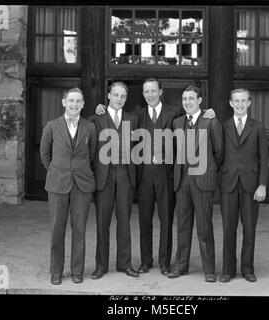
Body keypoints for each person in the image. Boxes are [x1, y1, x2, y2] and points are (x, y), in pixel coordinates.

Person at [95, 79, 216, 276]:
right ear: (142, 94)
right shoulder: (136, 116)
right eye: (146, 92)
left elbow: (194, 117)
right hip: (143, 175)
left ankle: (165, 262)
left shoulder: (175, 113)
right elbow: (115, 125)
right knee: (144, 220)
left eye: (153, 91)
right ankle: (145, 261)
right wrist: (100, 108)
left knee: (167, 220)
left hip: (167, 175)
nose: (150, 95)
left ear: (161, 92)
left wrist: (210, 112)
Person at [39, 88, 97, 285]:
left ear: (83, 104)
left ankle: (77, 271)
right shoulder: (52, 126)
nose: (74, 105)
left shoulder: (90, 127)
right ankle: (56, 271)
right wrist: (57, 170)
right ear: (64, 102)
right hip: (58, 184)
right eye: (71, 101)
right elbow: (44, 154)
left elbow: (92, 154)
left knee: (79, 229)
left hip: (82, 185)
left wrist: (78, 170)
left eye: (78, 101)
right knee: (57, 230)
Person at [167, 85, 223, 282]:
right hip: (182, 181)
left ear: (200, 100)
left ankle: (209, 269)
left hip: (202, 180)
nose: (187, 102)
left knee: (204, 227)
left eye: (191, 98)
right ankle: (180, 266)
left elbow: (219, 152)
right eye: (184, 99)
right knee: (182, 225)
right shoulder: (177, 123)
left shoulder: (210, 121)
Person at [90, 82, 140, 279]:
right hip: (104, 176)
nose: (119, 99)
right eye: (115, 95)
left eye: (123, 96)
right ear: (109, 95)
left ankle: (124, 264)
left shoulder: (133, 119)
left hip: (125, 176)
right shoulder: (96, 118)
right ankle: (101, 266)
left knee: (124, 221)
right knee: (102, 222)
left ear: (126, 99)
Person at [219, 88, 269, 283]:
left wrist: (262, 184)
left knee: (249, 229)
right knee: (228, 228)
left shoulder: (258, 127)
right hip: (228, 184)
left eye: (243, 101)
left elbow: (264, 158)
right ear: (231, 103)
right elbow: (218, 155)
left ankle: (247, 268)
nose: (239, 104)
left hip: (251, 184)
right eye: (236, 101)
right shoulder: (223, 126)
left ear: (249, 103)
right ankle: (227, 270)